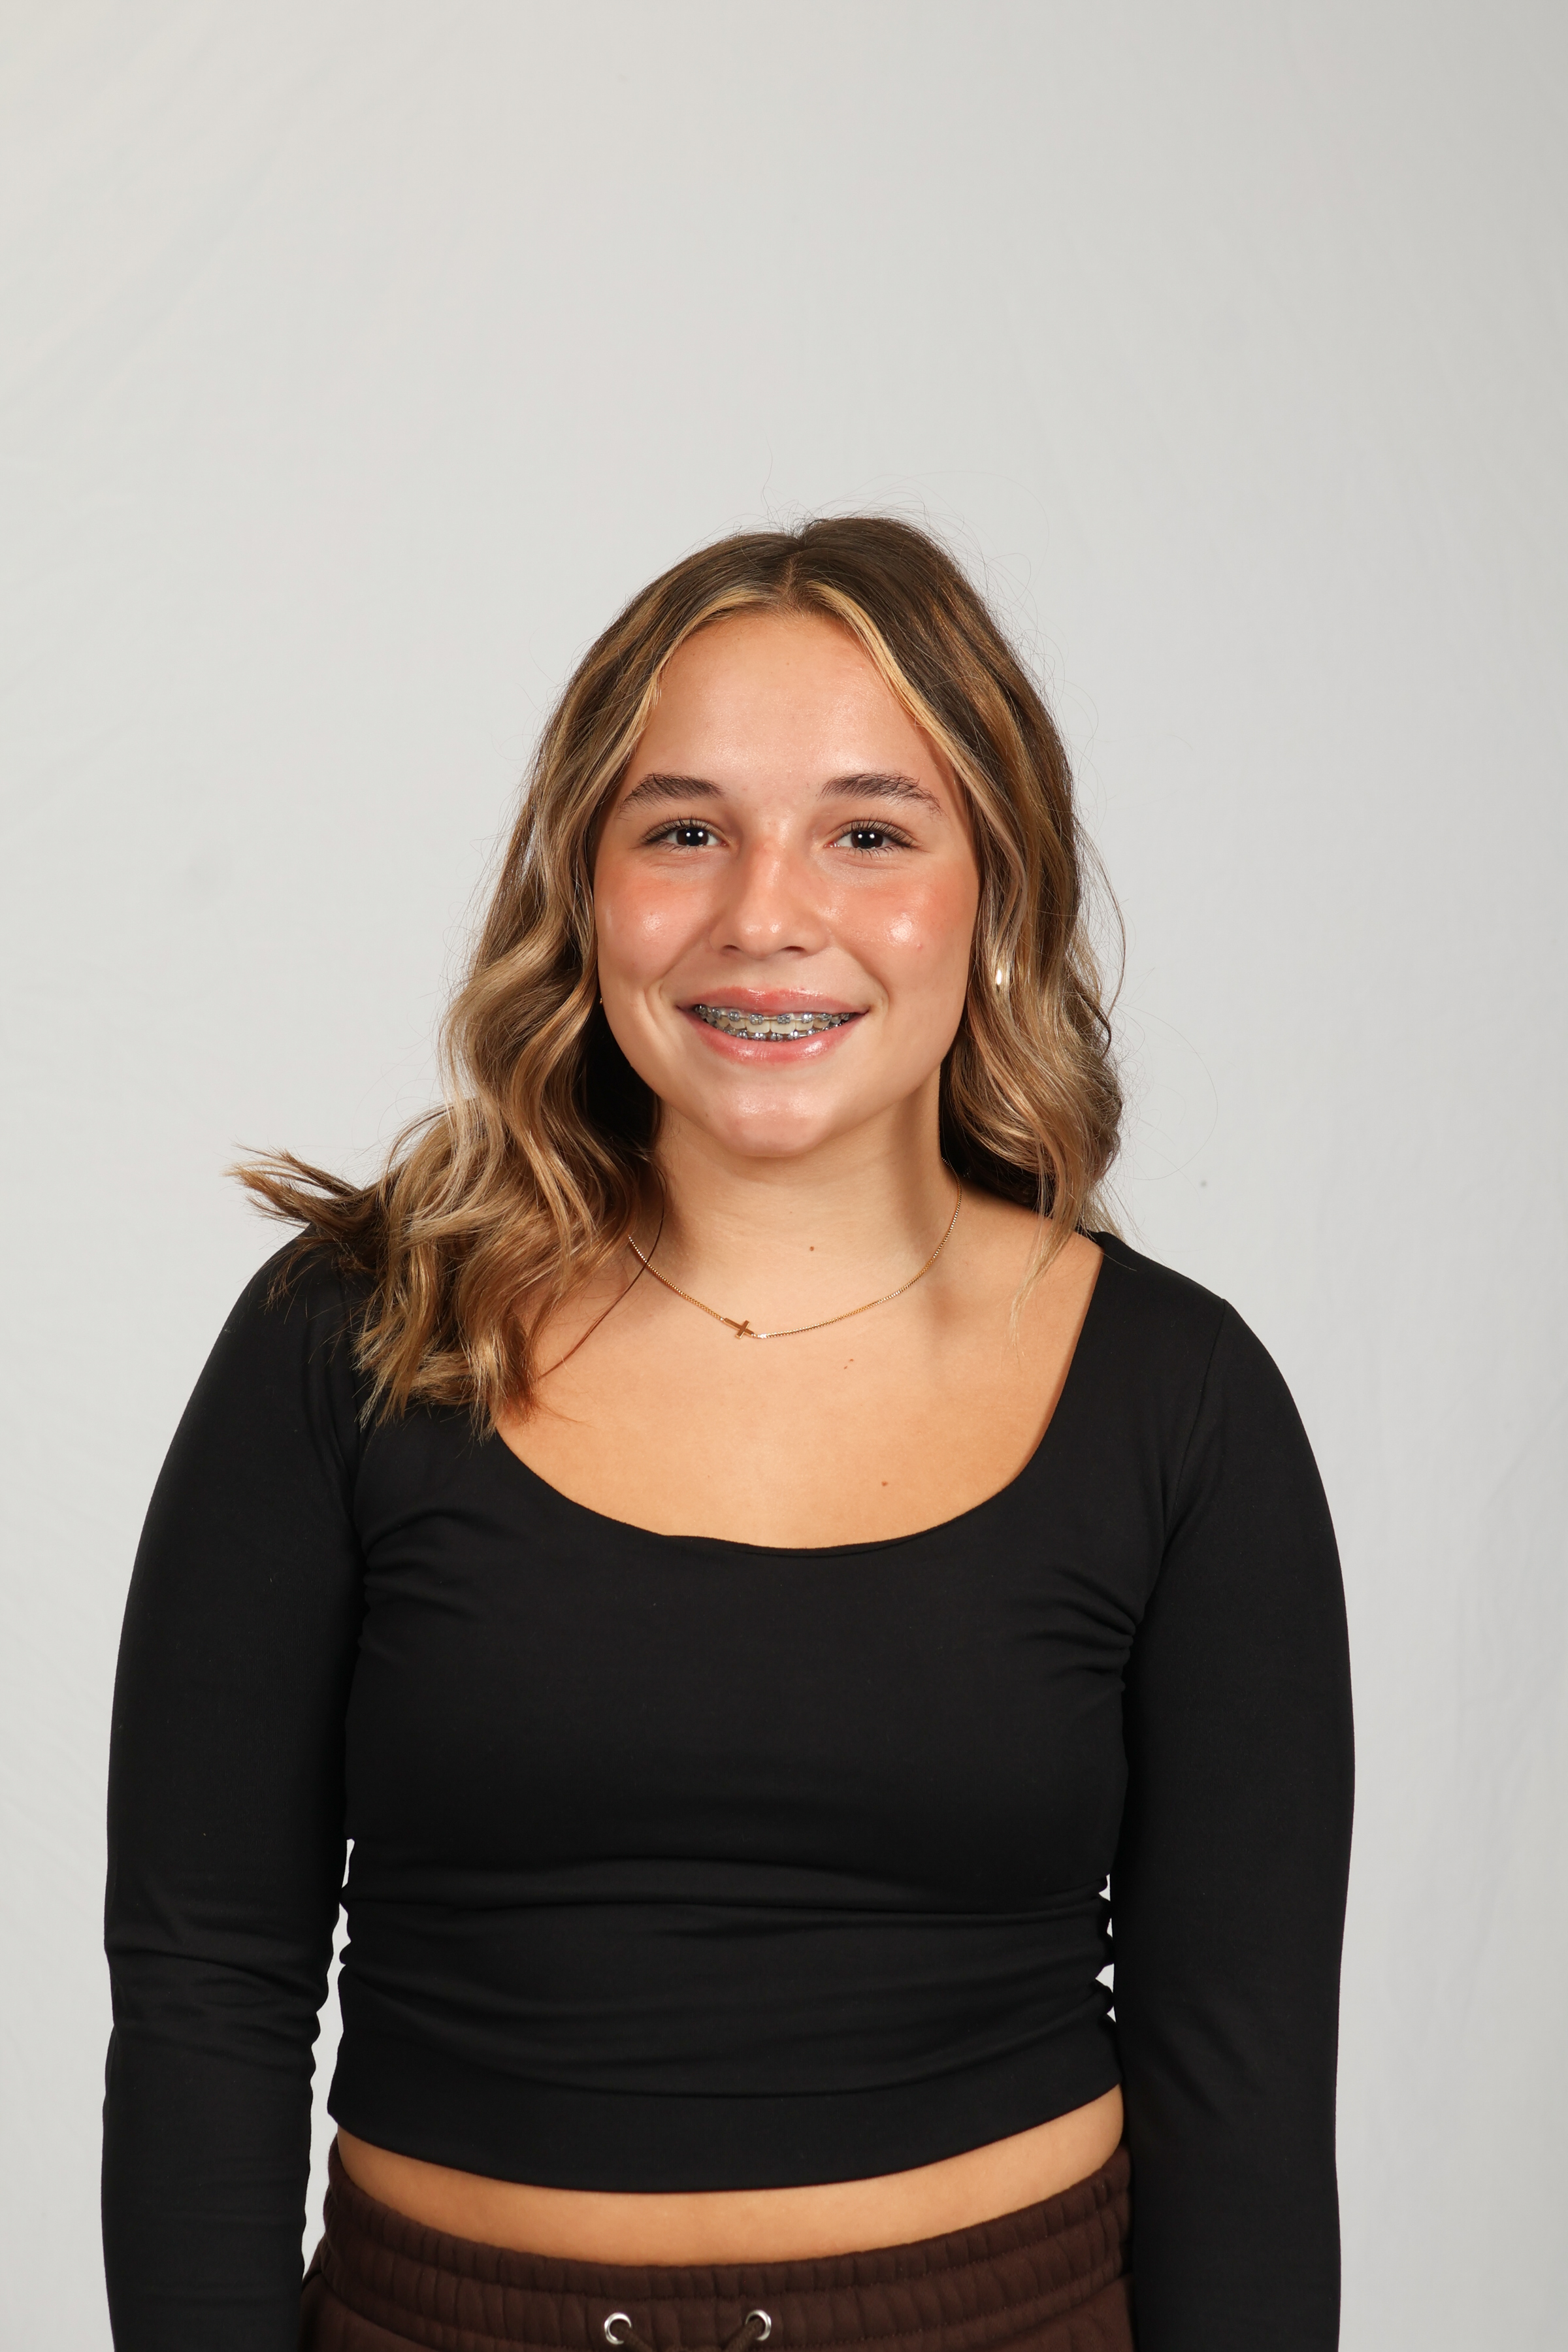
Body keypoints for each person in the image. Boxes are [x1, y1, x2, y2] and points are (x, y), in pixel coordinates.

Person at [102, 517, 1354, 2352]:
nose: (766, 913)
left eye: (871, 832)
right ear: (581, 886)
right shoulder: (355, 1337)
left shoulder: (1180, 1399)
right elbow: (206, 1988)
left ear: (996, 888)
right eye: (683, 830)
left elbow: (1238, 2077)